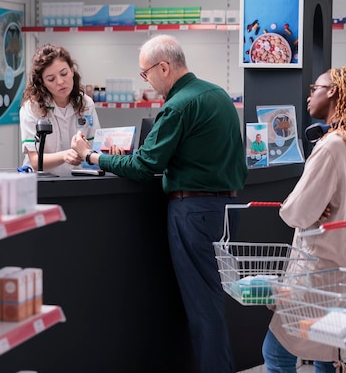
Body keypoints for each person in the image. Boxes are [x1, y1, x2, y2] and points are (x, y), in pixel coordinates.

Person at [71, 34, 247, 373]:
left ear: (163, 67)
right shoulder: (217, 95)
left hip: (193, 212)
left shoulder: (178, 106)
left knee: (202, 307)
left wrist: (92, 156)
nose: (147, 82)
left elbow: (143, 167)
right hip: (225, 210)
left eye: (145, 73)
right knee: (211, 300)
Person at [262, 67, 346, 373]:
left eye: (315, 87)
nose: (309, 95)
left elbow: (295, 212)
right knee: (328, 353)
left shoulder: (330, 146)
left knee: (277, 353)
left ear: (332, 92)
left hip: (317, 272)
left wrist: (303, 206)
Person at [20, 44, 100, 176]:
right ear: (42, 82)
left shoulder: (86, 104)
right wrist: (64, 156)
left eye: (64, 73)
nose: (60, 82)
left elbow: (95, 149)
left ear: (72, 71)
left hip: (77, 179)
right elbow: (35, 160)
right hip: (42, 182)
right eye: (51, 79)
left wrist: (112, 152)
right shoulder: (32, 108)